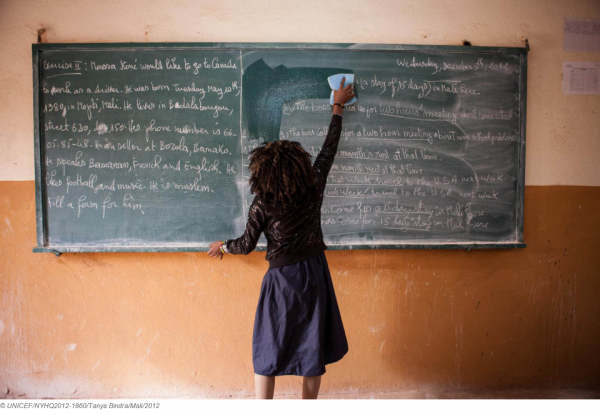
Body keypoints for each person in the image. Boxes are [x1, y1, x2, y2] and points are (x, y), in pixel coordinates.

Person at [207, 77, 355, 399]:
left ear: (262, 172)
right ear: (299, 166)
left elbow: (245, 245)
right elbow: (329, 149)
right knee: (312, 342)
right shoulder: (313, 184)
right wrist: (337, 106)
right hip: (315, 274)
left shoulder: (262, 203)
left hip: (281, 281)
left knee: (269, 343)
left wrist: (223, 247)